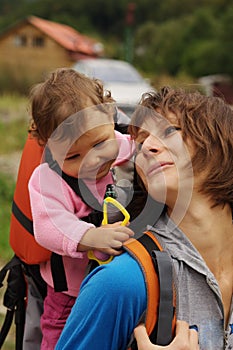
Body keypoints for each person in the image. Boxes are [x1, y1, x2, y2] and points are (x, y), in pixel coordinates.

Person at [56, 86, 233, 350]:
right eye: (141, 143)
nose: (147, 147)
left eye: (170, 131)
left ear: (221, 145)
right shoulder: (120, 284)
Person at [28, 68, 136, 349]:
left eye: (100, 143)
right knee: (60, 336)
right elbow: (48, 225)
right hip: (70, 294)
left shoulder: (123, 147)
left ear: (110, 116)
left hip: (117, 286)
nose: (91, 161)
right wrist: (90, 237)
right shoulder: (47, 179)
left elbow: (150, 151)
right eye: (73, 156)